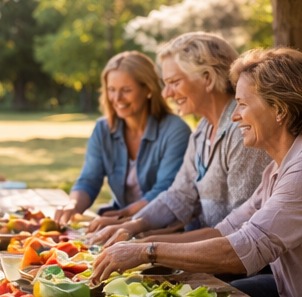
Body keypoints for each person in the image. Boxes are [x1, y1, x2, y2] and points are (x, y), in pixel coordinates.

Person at [91, 47, 302, 297]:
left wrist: (146, 252)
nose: (236, 115)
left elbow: (242, 252)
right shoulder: (280, 168)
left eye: (242, 104)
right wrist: (133, 245)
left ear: (279, 108)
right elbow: (226, 230)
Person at [89, 34, 269, 246]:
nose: (166, 93)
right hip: (205, 250)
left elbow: (240, 229)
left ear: (207, 79)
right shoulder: (202, 131)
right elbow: (179, 196)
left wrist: (151, 246)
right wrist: (132, 225)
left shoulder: (241, 131)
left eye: (174, 82)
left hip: (232, 264)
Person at [52, 53, 190, 229]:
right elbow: (89, 179)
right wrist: (73, 205)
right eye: (111, 90)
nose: (117, 99)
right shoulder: (103, 129)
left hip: (164, 227)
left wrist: (123, 215)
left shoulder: (175, 130)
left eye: (126, 90)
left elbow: (166, 190)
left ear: (148, 89)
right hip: (122, 221)